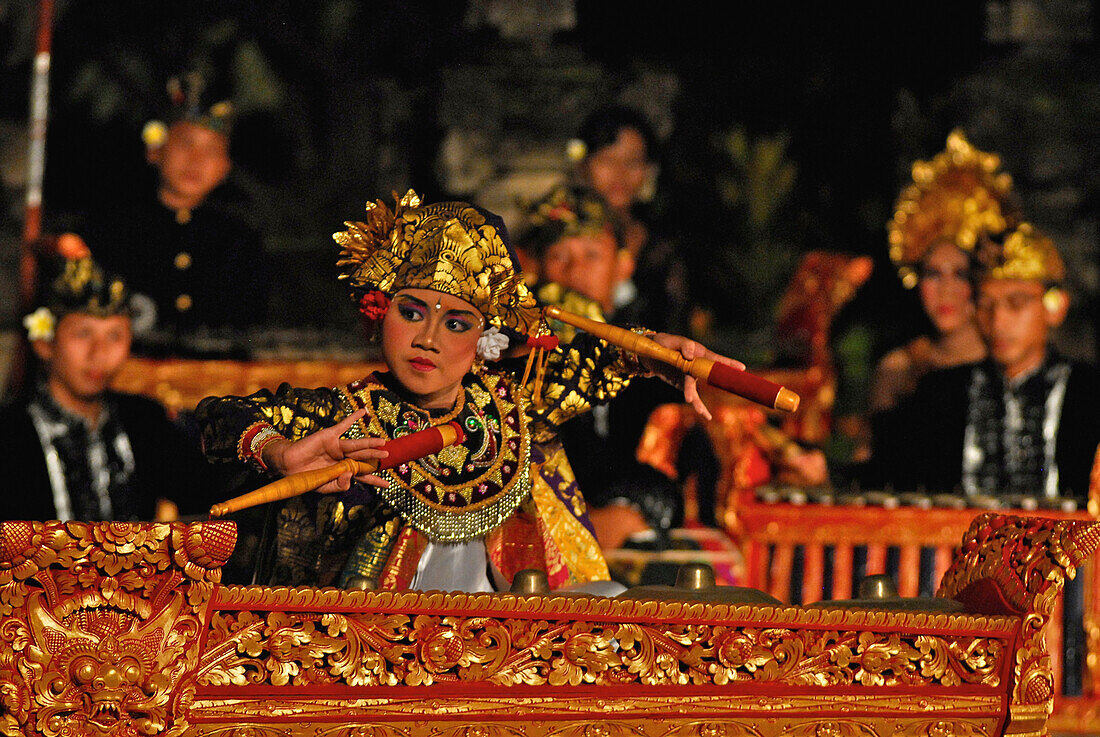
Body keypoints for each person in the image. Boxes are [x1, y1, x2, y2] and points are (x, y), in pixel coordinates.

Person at [194, 190, 740, 592]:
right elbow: (217, 418)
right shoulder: (346, 419)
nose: (427, 339)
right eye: (411, 313)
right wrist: (277, 450)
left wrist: (664, 356)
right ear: (378, 314)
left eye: (456, 322)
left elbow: (606, 359)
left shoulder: (516, 404)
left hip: (516, 648)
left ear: (486, 339)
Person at [871, 222, 1100, 503]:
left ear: (1054, 307)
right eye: (986, 305)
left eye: (1016, 303)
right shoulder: (940, 394)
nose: (998, 321)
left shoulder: (1089, 394)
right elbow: (887, 479)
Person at [0, 251, 215, 522]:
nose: (99, 353)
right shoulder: (9, 436)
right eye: (83, 333)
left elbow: (207, 495)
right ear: (44, 343)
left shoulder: (143, 420)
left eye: (114, 335)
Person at [83, 72, 266, 337]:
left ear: (225, 167)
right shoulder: (111, 229)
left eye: (212, 150)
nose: (196, 160)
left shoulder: (240, 241)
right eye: (186, 143)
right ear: (155, 151)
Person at [869, 130, 1020, 416]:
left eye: (960, 274)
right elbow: (872, 456)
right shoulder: (899, 369)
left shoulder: (1010, 364)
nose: (946, 290)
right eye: (934, 274)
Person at [570, 105, 691, 334]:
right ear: (584, 165)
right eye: (607, 160)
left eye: (633, 162)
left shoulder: (662, 245)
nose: (620, 173)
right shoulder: (556, 232)